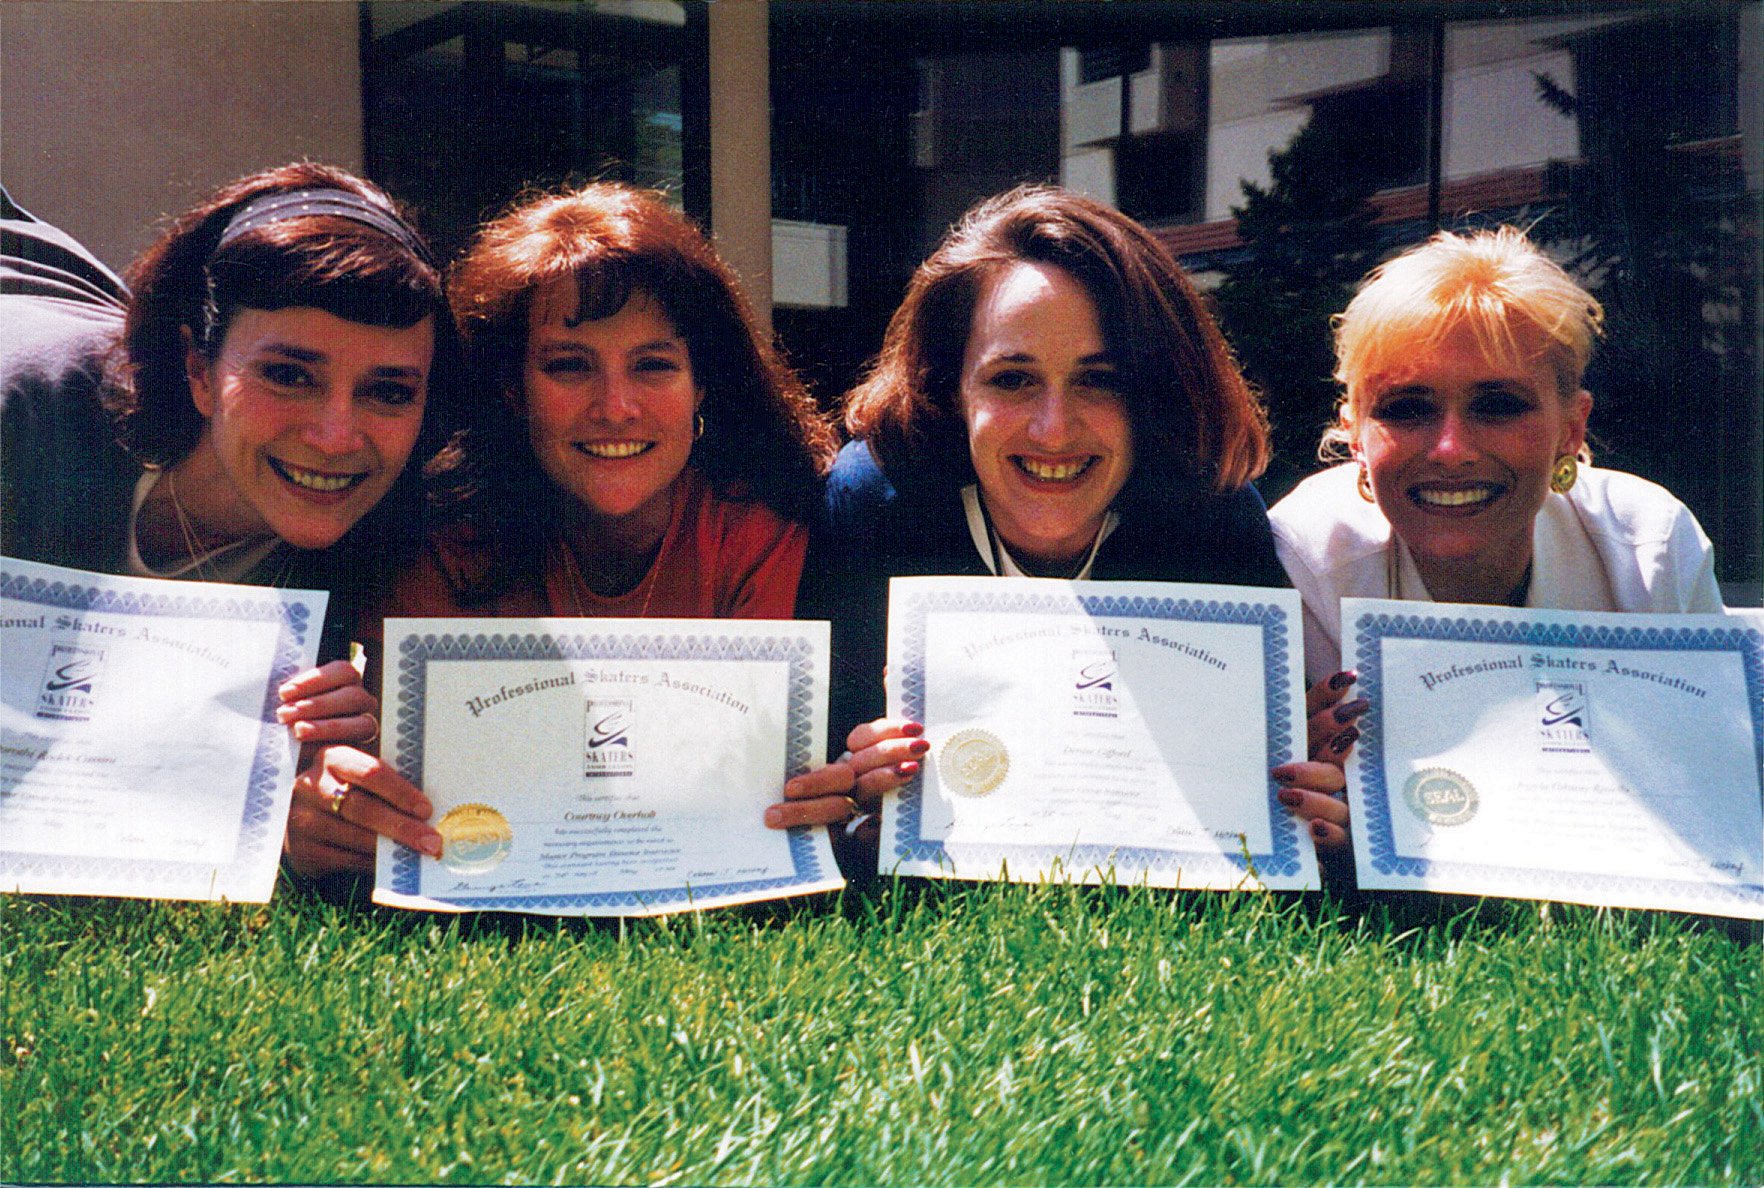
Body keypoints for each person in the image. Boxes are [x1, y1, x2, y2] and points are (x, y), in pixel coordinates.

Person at [771, 185, 1359, 872]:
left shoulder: (1214, 518)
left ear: (1158, 395)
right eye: (1013, 380)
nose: (1054, 429)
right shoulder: (874, 505)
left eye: (1101, 381)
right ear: (948, 388)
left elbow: (1253, 784)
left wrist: (1302, 791)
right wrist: (854, 787)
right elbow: (827, 777)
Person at [283, 182, 838, 879]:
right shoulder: (438, 538)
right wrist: (335, 800)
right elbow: (398, 777)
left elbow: (762, 788)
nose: (616, 407)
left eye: (653, 365)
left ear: (704, 384)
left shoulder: (759, 528)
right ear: (511, 388)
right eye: (569, 366)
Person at [1269, 225, 1723, 852]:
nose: (1451, 449)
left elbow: (1718, 782)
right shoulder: (1304, 556)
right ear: (1355, 434)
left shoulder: (1650, 546)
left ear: (1571, 426)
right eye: (1407, 407)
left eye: (1499, 404)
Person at [2, 164, 464, 750]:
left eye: (389, 392)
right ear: (199, 368)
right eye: (289, 376)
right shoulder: (24, 422)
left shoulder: (407, 551)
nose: (337, 438)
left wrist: (301, 800)